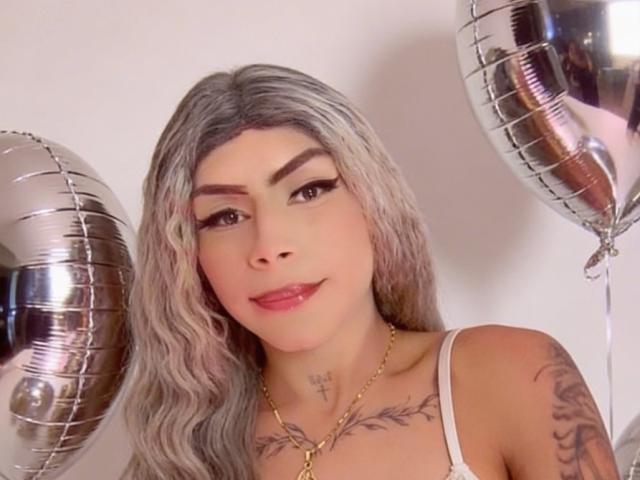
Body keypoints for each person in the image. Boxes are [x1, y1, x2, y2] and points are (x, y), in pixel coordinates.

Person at [121, 64, 620, 480]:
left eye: (308, 191)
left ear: (373, 202)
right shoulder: (179, 455)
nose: (269, 247)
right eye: (225, 216)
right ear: (187, 257)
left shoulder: (510, 376)